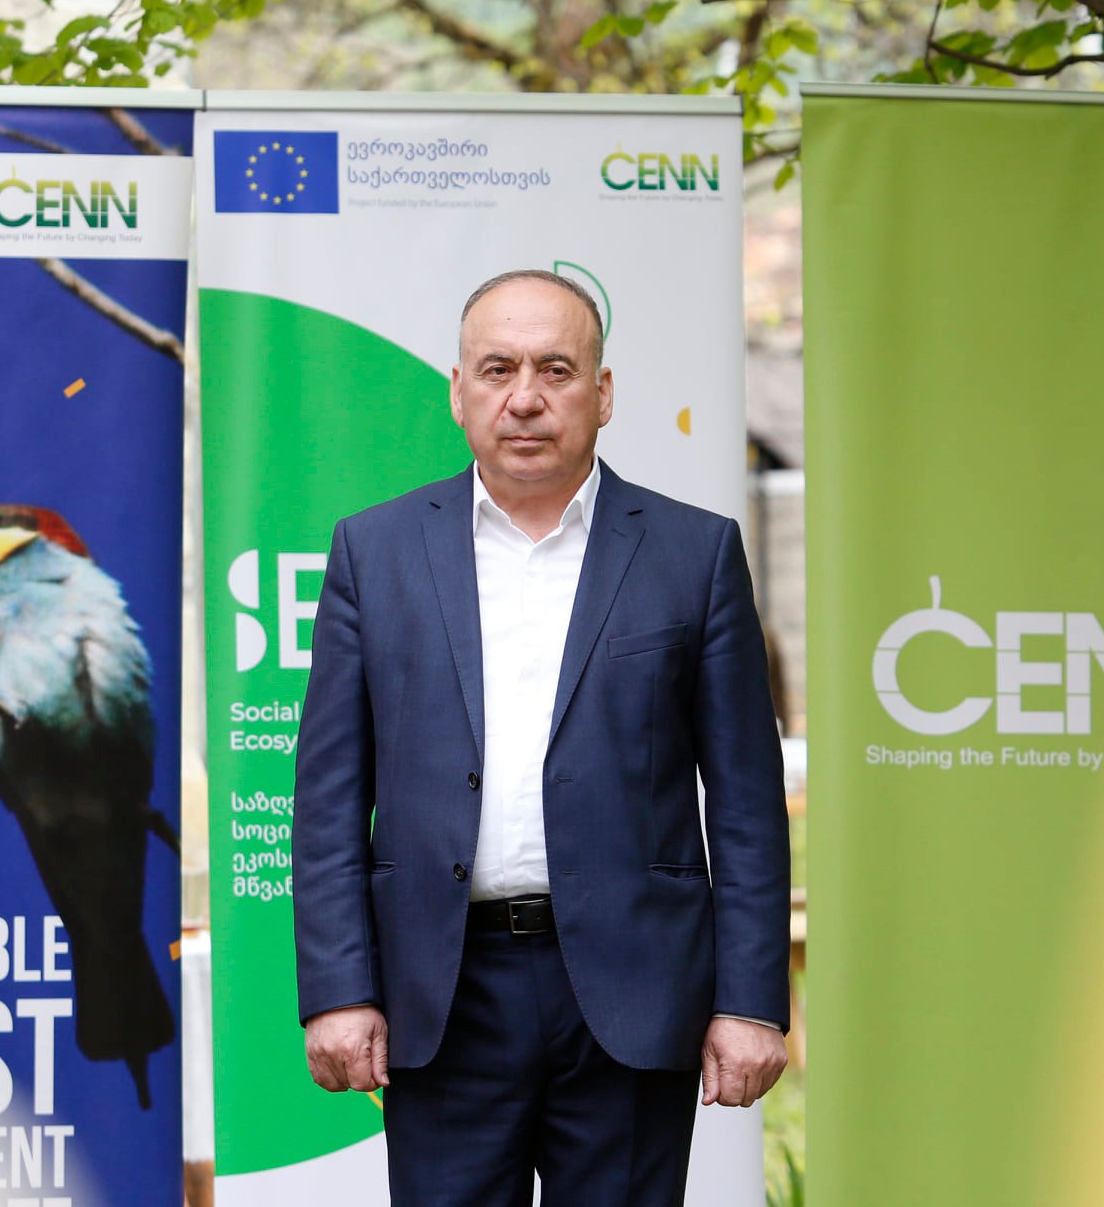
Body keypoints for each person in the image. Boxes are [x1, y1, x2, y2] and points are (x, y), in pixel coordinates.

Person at [291, 269, 792, 1205]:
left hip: (634, 993)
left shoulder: (695, 553)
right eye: (498, 368)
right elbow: (327, 797)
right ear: (458, 391)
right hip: (442, 994)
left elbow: (747, 805)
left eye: (556, 369)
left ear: (603, 393)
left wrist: (751, 1001)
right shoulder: (375, 552)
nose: (525, 396)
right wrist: (339, 989)